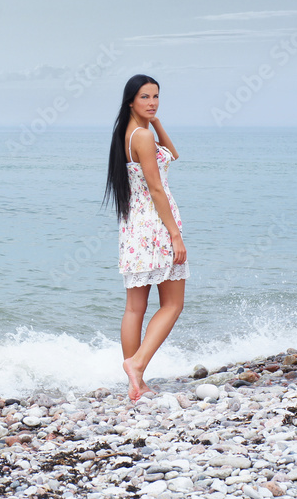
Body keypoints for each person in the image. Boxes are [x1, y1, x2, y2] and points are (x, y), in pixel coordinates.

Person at [104, 74, 188, 400]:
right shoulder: (141, 137)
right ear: (130, 102)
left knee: (135, 308)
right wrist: (176, 236)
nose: (152, 102)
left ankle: (134, 381)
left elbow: (173, 153)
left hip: (133, 228)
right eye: (144, 98)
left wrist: (154, 120)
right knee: (173, 303)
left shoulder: (131, 134)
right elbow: (155, 188)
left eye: (156, 97)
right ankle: (137, 365)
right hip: (156, 227)